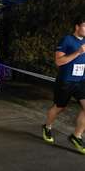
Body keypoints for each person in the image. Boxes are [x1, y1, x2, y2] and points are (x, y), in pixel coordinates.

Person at [42, 16, 85, 154]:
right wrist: (78, 52)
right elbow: (59, 62)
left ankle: (76, 136)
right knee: (59, 107)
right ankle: (47, 127)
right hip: (65, 81)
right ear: (77, 27)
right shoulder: (66, 40)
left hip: (81, 81)